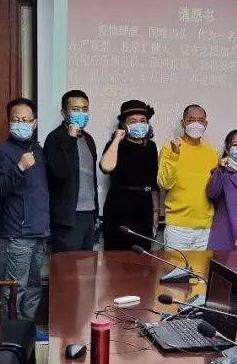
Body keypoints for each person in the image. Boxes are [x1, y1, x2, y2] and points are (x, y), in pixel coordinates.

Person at [0, 97, 50, 323]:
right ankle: (9, 335)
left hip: (39, 231)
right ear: (9, 123)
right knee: (14, 289)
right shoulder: (2, 151)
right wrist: (20, 167)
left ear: (34, 123)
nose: (21, 124)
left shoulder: (38, 149)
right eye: (16, 120)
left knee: (34, 286)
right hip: (17, 233)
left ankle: (26, 331)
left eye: (26, 120)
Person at [157, 104, 219, 251]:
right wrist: (175, 155)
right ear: (183, 123)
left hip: (205, 227)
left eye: (200, 120)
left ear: (206, 124)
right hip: (178, 227)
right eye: (191, 120)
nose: (196, 124)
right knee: (175, 266)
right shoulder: (170, 148)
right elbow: (164, 183)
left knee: (202, 266)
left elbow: (214, 189)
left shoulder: (212, 152)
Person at [100, 100, 160, 251]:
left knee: (142, 256)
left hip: (144, 207)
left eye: (142, 120)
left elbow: (153, 182)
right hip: (118, 207)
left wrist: (155, 213)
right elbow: (105, 167)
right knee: (116, 256)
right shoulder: (115, 145)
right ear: (124, 124)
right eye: (132, 121)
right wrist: (116, 139)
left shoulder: (151, 146)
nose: (138, 124)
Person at [44, 90, 99, 252]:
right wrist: (70, 139)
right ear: (63, 113)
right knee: (67, 266)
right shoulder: (55, 138)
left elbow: (91, 178)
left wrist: (95, 213)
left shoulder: (88, 139)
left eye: (84, 109)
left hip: (89, 215)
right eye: (75, 109)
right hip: (67, 218)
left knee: (88, 265)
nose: (81, 113)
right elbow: (60, 172)